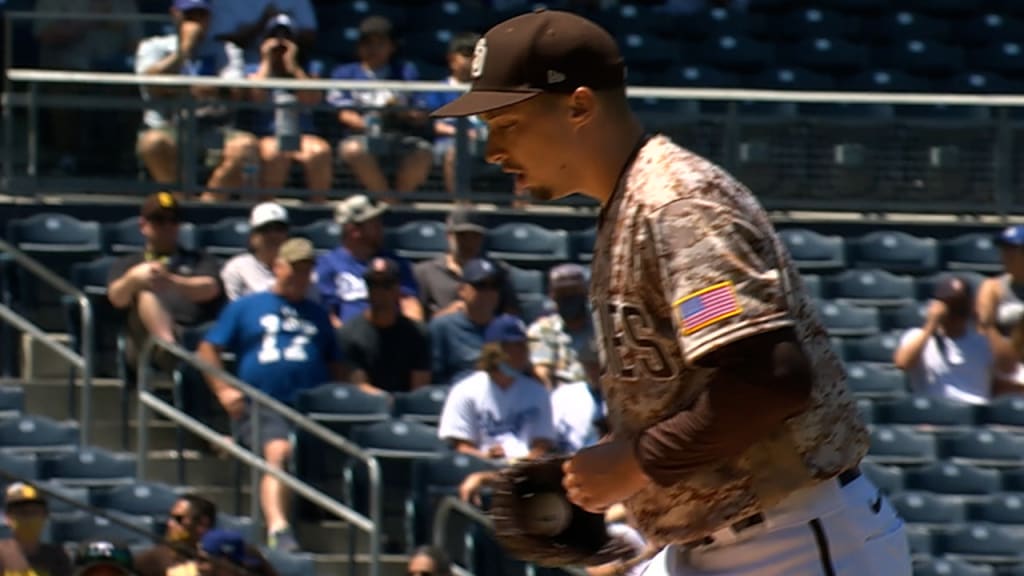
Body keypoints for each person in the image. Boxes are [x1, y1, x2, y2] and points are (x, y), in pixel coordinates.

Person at [432, 9, 910, 575]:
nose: (491, 149)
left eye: (506, 123)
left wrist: (634, 463)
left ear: (579, 106)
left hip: (791, 542)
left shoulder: (675, 205)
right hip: (721, 541)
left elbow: (770, 378)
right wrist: (596, 477)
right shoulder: (630, 205)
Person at [199, 238, 346, 552]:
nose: (300, 276)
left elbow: (336, 363)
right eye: (294, 269)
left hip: (309, 407)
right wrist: (224, 389)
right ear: (278, 267)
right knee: (278, 453)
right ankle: (279, 528)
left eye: (307, 270)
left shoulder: (317, 315)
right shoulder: (246, 307)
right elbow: (208, 348)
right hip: (263, 403)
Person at [107, 193, 224, 372]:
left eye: (173, 220)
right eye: (159, 220)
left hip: (190, 332)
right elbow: (116, 298)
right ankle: (171, 349)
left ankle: (175, 350)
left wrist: (170, 281)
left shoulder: (198, 259)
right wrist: (133, 279)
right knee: (145, 291)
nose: (167, 226)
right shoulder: (129, 263)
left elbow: (210, 288)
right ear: (143, 225)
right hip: (145, 344)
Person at [437, 314, 555, 462]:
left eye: (525, 345)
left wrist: (522, 463)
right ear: (497, 350)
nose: (525, 351)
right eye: (518, 345)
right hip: (477, 468)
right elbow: (461, 446)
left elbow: (543, 443)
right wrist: (486, 458)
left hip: (524, 474)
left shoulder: (537, 392)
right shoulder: (465, 390)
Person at [337, 257, 432, 396]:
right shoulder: (349, 333)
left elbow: (419, 388)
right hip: (366, 408)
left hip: (406, 408)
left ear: (397, 289)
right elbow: (358, 385)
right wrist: (386, 400)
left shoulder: (417, 333)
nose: (379, 292)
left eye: (386, 285)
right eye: (373, 284)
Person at [893, 276, 995, 404]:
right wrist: (930, 326)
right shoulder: (918, 337)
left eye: (958, 308)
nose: (953, 314)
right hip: (935, 413)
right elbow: (902, 363)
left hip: (975, 414)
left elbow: (1001, 379)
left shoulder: (983, 343)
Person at [133, 494, 217, 576]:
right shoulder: (154, 558)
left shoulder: (218, 563)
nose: (169, 524)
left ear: (202, 525)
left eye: (178, 519)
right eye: (170, 517)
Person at [0, 483, 72, 575]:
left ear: (45, 516)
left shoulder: (56, 556)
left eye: (34, 513)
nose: (28, 518)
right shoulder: (2, 553)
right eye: (22, 513)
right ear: (7, 518)